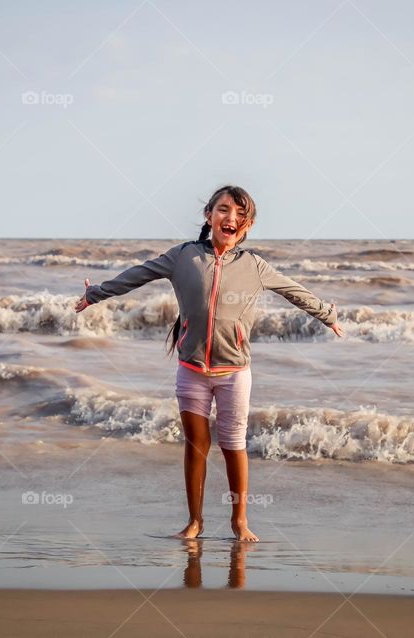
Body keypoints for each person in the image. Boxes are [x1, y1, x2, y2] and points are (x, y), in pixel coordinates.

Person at [75, 185, 344, 541]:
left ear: (246, 227)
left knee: (234, 447)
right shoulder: (182, 257)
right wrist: (95, 294)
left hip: (234, 373)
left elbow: (293, 290)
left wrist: (327, 315)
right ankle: (195, 522)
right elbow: (138, 274)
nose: (230, 218)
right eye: (223, 210)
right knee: (196, 447)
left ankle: (240, 521)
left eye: (239, 215)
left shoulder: (254, 266)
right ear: (209, 215)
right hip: (191, 372)